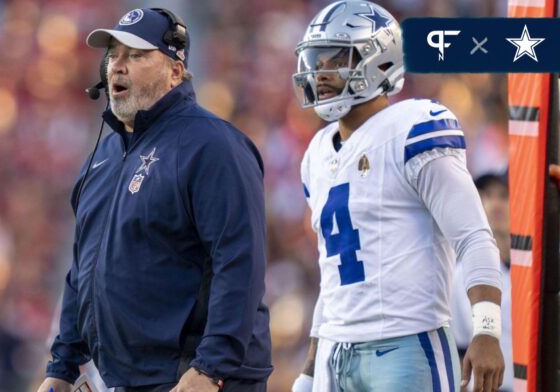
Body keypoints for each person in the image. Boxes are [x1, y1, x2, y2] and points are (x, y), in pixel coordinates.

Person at [37, 8, 272, 392]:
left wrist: (211, 368)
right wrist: (62, 367)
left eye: (137, 54)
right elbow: (82, 271)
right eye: (114, 54)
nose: (118, 66)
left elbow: (239, 262)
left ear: (176, 71)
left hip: (199, 379)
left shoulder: (212, 146)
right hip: (131, 381)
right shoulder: (103, 156)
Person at [289, 2, 504, 392]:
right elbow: (332, 274)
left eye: (334, 57)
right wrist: (309, 365)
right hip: (335, 351)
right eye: (315, 59)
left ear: (379, 60)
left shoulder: (414, 128)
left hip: (406, 343)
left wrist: (486, 328)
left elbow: (473, 235)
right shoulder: (317, 154)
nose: (319, 72)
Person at [450, 173, 513, 391]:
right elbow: (459, 347)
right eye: (486, 196)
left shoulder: (543, 270)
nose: (495, 204)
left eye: (504, 196)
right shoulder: (460, 275)